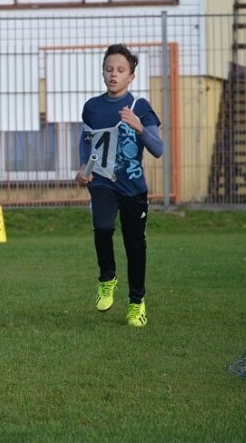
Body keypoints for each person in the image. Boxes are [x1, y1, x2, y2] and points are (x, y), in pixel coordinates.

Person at [75, 44, 163, 327]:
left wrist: (139, 127)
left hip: (133, 188)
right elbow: (85, 140)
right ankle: (107, 277)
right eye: (109, 69)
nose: (114, 74)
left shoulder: (141, 107)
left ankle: (137, 303)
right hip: (102, 182)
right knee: (102, 227)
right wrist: (82, 168)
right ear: (103, 73)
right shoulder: (92, 107)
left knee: (135, 246)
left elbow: (158, 149)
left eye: (120, 70)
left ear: (131, 77)